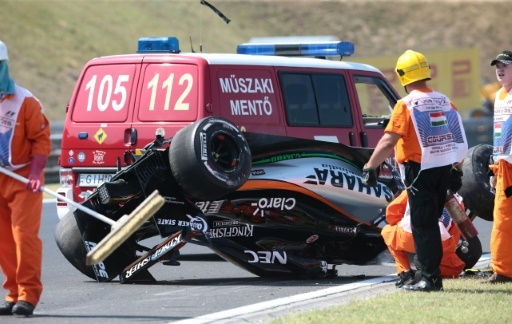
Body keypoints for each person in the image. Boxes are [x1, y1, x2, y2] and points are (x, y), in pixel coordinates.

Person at [361, 50, 468, 292]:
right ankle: (430, 275)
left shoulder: (405, 105)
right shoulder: (445, 101)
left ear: (402, 75)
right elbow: (458, 138)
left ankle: (430, 279)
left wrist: (370, 166)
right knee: (430, 222)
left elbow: (389, 140)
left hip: (419, 171)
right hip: (443, 168)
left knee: (423, 225)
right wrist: (457, 169)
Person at [0, 40, 52, 316]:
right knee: (3, 239)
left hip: (23, 177)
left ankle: (28, 296)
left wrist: (35, 172)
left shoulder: (25, 101)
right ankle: (12, 293)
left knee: (24, 237)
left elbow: (42, 140)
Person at [382, 190, 466, 288]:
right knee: (456, 269)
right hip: (439, 240)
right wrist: (448, 249)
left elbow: (391, 214)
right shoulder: (457, 200)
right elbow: (456, 233)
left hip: (409, 234)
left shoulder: (412, 188)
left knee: (387, 231)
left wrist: (400, 224)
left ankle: (406, 272)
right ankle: (426, 267)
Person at [485, 50, 512, 284]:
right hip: (504, 166)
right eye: (497, 66)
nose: (500, 69)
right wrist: (495, 167)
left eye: (505, 65)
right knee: (502, 219)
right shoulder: (499, 96)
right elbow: (498, 135)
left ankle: (503, 271)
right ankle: (503, 270)